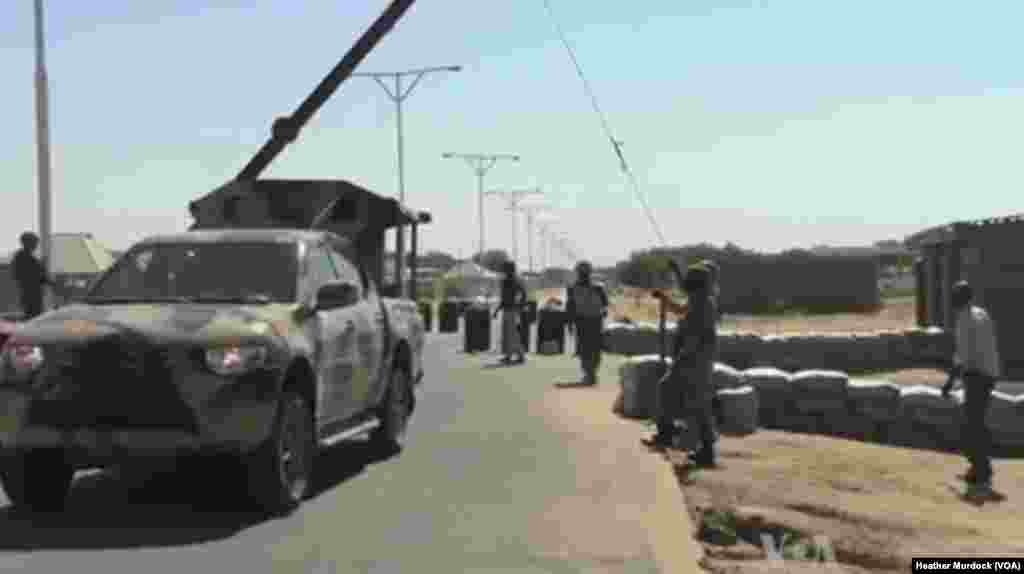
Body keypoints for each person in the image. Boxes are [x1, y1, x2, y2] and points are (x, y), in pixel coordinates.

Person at [645, 264, 719, 467]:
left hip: (694, 359)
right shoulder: (700, 300)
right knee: (684, 396)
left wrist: (681, 359)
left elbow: (695, 336)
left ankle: (674, 437)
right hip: (697, 358)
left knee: (682, 395)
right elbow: (679, 309)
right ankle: (680, 439)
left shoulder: (702, 304)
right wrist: (664, 299)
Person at [941, 280, 1000, 493]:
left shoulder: (964, 320)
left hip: (977, 376)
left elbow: (963, 359)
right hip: (990, 373)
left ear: (958, 299)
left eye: (954, 296)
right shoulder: (980, 313)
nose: (952, 299)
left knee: (971, 424)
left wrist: (948, 384)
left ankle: (980, 469)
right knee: (976, 421)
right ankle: (982, 466)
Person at [565, 260, 609, 385]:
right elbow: (570, 307)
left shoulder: (598, 287)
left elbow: (605, 305)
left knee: (593, 348)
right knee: (585, 349)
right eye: (581, 273)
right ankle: (589, 374)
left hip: (593, 321)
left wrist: (603, 311)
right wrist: (569, 323)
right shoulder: (573, 288)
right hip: (584, 321)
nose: (583, 276)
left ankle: (591, 373)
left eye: (585, 273)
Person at [11, 231, 54, 320]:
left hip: (30, 293)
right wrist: (41, 267)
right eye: (35, 243)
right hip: (31, 294)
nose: (36, 245)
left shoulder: (21, 257)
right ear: (28, 243)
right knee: (34, 318)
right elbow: (39, 276)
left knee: (33, 316)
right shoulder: (25, 258)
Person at [493, 261, 527, 364]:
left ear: (510, 269)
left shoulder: (514, 281)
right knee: (508, 334)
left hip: (512, 310)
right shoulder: (506, 281)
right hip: (507, 309)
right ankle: (509, 355)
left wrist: (519, 306)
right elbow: (504, 298)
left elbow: (523, 294)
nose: (504, 270)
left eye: (506, 268)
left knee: (512, 334)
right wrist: (497, 310)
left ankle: (520, 355)